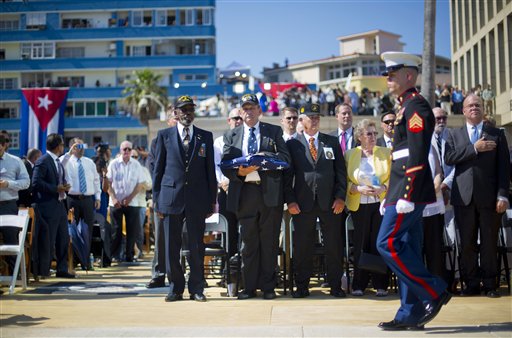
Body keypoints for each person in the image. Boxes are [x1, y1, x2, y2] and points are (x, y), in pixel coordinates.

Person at [376, 52, 451, 331]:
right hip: (400, 190)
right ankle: (410, 312)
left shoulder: (416, 106)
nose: (388, 78)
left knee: (387, 243)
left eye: (393, 74)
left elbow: (417, 153)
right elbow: (401, 157)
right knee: (405, 246)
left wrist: (405, 194)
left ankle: (433, 290)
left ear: (409, 75)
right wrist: (389, 196)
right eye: (387, 74)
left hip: (410, 190)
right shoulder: (404, 107)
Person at [221, 93, 290, 300]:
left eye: (252, 108)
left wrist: (263, 158)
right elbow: (225, 164)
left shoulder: (274, 131)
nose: (249, 112)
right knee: (248, 244)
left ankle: (269, 288)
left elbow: (285, 158)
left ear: (260, 111)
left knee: (269, 243)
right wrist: (240, 172)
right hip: (245, 193)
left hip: (269, 193)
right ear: (241, 112)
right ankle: (249, 287)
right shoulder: (231, 135)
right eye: (245, 108)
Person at [444, 94, 510, 298]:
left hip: (490, 199)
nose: (474, 108)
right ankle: (471, 283)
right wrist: (474, 148)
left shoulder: (496, 134)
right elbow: (449, 157)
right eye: (470, 106)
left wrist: (502, 195)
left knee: (489, 243)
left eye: (477, 105)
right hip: (463, 198)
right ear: (463, 111)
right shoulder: (454, 135)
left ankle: (490, 284)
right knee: (467, 243)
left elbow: (504, 169)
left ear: (483, 109)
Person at [153, 95, 217, 302]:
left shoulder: (204, 136)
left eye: (191, 109)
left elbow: (210, 172)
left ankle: (197, 288)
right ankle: (175, 288)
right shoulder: (164, 136)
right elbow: (158, 170)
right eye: (184, 110)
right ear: (176, 112)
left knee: (197, 246)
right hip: (170, 198)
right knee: (172, 246)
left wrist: (211, 200)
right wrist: (157, 201)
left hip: (197, 199)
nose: (188, 113)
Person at [284, 103, 347, 298]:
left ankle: (336, 285)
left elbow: (340, 173)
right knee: (303, 247)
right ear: (302, 121)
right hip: (303, 204)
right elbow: (287, 177)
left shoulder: (331, 141)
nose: (315, 120)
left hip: (329, 203)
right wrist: (291, 201)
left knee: (334, 246)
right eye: (311, 117)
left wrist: (340, 197)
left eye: (317, 117)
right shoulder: (292, 145)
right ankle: (302, 286)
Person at [345, 119, 391, 297]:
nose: (373, 137)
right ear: (359, 137)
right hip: (359, 205)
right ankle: (359, 284)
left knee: (378, 244)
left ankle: (381, 284)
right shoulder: (350, 155)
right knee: (361, 245)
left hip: (380, 205)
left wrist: (384, 188)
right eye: (369, 134)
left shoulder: (386, 153)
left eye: (374, 133)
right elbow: (345, 180)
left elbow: (394, 176)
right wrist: (356, 188)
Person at [31, 133, 75, 279]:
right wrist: (55, 188)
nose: (63, 147)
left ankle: (62, 269)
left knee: (63, 238)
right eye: (62, 144)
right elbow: (36, 183)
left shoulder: (57, 161)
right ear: (58, 146)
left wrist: (64, 188)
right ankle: (44, 270)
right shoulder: (43, 161)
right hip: (47, 206)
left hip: (60, 204)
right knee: (48, 241)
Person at [146, 104, 177, 289]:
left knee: (187, 237)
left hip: (186, 196)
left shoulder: (188, 137)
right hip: (165, 195)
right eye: (174, 116)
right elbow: (153, 166)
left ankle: (185, 273)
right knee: (161, 238)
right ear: (168, 120)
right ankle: (159, 274)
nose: (177, 118)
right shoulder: (159, 139)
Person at [62, 137, 101, 266]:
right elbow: (59, 164)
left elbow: (96, 181)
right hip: (72, 200)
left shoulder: (89, 162)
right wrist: (69, 153)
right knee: (72, 231)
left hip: (87, 200)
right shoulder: (67, 161)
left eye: (82, 146)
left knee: (87, 230)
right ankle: (74, 260)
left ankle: (85, 260)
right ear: (72, 147)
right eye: (78, 146)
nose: (81, 149)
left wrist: (98, 197)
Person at [107, 140, 145, 263]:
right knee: (116, 231)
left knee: (131, 231)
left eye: (129, 149)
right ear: (120, 150)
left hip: (132, 202)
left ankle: (129, 256)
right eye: (125, 149)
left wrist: (129, 198)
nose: (127, 152)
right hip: (116, 202)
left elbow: (140, 184)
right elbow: (108, 183)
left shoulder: (136, 164)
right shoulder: (113, 164)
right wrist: (113, 198)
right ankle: (115, 255)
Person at [214, 108, 243, 262]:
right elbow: (215, 166)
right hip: (225, 191)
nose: (238, 121)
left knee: (246, 231)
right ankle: (228, 271)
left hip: (245, 190)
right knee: (228, 231)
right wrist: (223, 183)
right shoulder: (218, 142)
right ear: (229, 121)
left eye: (240, 118)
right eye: (235, 118)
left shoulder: (247, 139)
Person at [0, 133, 30, 274]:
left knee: (10, 241)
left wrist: (8, 184)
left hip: (8, 205)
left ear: (5, 145)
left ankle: (15, 276)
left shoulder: (15, 161)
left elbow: (26, 182)